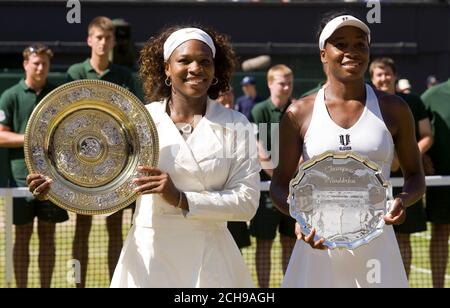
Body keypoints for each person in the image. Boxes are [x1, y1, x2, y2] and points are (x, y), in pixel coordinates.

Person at [28, 26, 260, 287]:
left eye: (205, 61)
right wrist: (56, 186)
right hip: (149, 259)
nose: (196, 68)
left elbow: (247, 203)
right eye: (184, 60)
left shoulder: (236, 123)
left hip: (212, 261)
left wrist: (182, 199)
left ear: (215, 69)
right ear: (166, 68)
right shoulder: (139, 120)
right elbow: (99, 181)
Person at [270, 13, 425, 288]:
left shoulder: (395, 108)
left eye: (359, 44)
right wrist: (299, 215)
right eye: (340, 44)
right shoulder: (298, 112)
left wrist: (402, 200)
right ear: (323, 54)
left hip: (377, 250)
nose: (351, 52)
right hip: (317, 245)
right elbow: (279, 185)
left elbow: (415, 176)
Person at [66, 16, 137, 287]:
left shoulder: (124, 75)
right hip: (83, 163)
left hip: (115, 166)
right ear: (89, 40)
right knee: (82, 229)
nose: (103, 42)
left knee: (115, 228)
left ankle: (114, 283)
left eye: (108, 38)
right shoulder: (75, 73)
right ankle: (77, 285)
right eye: (99, 37)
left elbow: (130, 116)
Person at [0, 44, 69, 288]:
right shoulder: (10, 96)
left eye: (45, 64)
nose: (40, 68)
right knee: (22, 236)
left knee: (48, 238)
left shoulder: (56, 95)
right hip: (21, 180)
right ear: (25, 64)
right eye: (35, 63)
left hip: (53, 180)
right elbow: (1, 136)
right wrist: (32, 138)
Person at [370, 57, 433, 278]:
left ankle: (401, 281)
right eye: (379, 74)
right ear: (372, 78)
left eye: (387, 73)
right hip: (375, 184)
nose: (384, 78)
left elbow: (426, 135)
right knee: (373, 238)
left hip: (407, 183)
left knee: (404, 237)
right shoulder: (366, 104)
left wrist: (410, 156)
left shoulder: (413, 102)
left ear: (394, 76)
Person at [249, 64, 296, 288]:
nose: (286, 87)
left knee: (291, 243)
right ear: (270, 84)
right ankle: (263, 290)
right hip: (266, 190)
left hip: (295, 190)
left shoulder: (298, 109)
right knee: (264, 243)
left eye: (289, 83)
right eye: (281, 82)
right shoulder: (259, 111)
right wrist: (278, 177)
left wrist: (291, 176)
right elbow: (258, 150)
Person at [421, 73, 450, 288]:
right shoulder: (431, 96)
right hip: (442, 180)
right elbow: (413, 132)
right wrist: (420, 156)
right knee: (441, 230)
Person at [217, 87, 252, 251]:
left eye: (229, 101)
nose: (227, 105)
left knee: (234, 253)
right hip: (213, 206)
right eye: (222, 102)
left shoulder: (240, 124)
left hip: (232, 202)